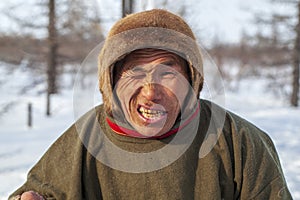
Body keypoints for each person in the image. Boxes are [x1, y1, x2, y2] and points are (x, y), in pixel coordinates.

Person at [10, 9, 292, 200]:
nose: (150, 92)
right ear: (112, 82)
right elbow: (35, 193)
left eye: (167, 73)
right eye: (134, 72)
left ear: (191, 81)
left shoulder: (236, 140)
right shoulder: (87, 137)